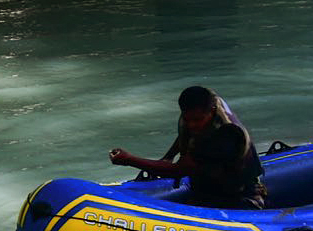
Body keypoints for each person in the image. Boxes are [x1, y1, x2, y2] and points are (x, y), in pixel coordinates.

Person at [109, 85, 265, 207]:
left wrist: (129, 160)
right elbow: (188, 134)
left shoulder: (225, 137)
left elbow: (179, 170)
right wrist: (169, 156)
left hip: (239, 197)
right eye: (187, 119)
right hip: (208, 188)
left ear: (211, 111)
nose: (192, 124)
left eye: (197, 120)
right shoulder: (208, 100)